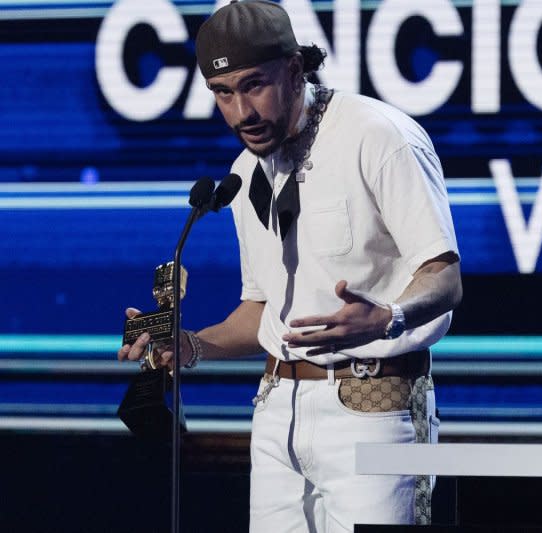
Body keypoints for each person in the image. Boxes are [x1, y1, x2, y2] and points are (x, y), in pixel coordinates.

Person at [118, 0, 461, 531]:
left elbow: (444, 277)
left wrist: (388, 315)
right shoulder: (244, 171)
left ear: (296, 70)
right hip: (277, 411)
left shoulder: (378, 135)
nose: (241, 112)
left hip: (375, 406)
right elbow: (263, 310)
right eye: (223, 94)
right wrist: (191, 346)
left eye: (254, 85)